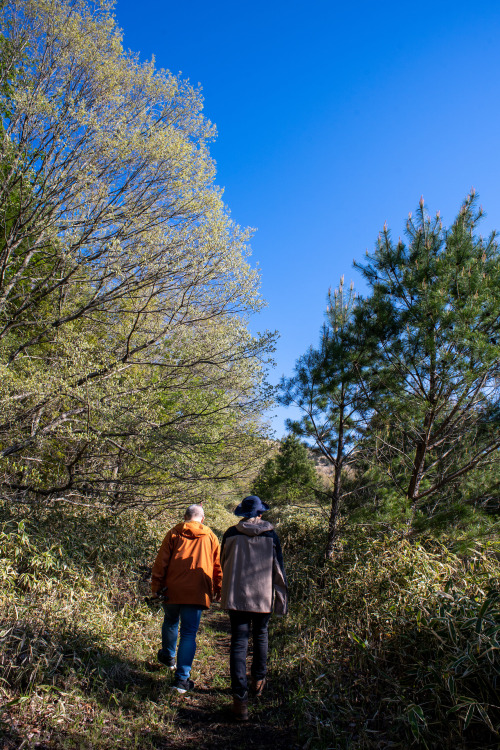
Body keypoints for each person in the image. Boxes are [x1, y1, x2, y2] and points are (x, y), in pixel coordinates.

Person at [220, 495, 287, 720]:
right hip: (263, 595)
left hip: (236, 595)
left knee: (238, 642)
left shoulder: (231, 534)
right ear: (260, 513)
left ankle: (240, 700)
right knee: (261, 636)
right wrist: (281, 597)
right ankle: (258, 681)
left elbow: (223, 561)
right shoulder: (271, 536)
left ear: (243, 513)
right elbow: (279, 569)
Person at [151, 504, 222, 693]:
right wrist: (219, 588)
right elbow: (217, 565)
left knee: (171, 621)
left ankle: (168, 656)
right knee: (189, 633)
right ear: (203, 519)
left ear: (185, 517)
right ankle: (182, 680)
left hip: (172, 589)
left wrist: (156, 586)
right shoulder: (211, 536)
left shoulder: (174, 533)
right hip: (197, 592)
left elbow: (161, 562)